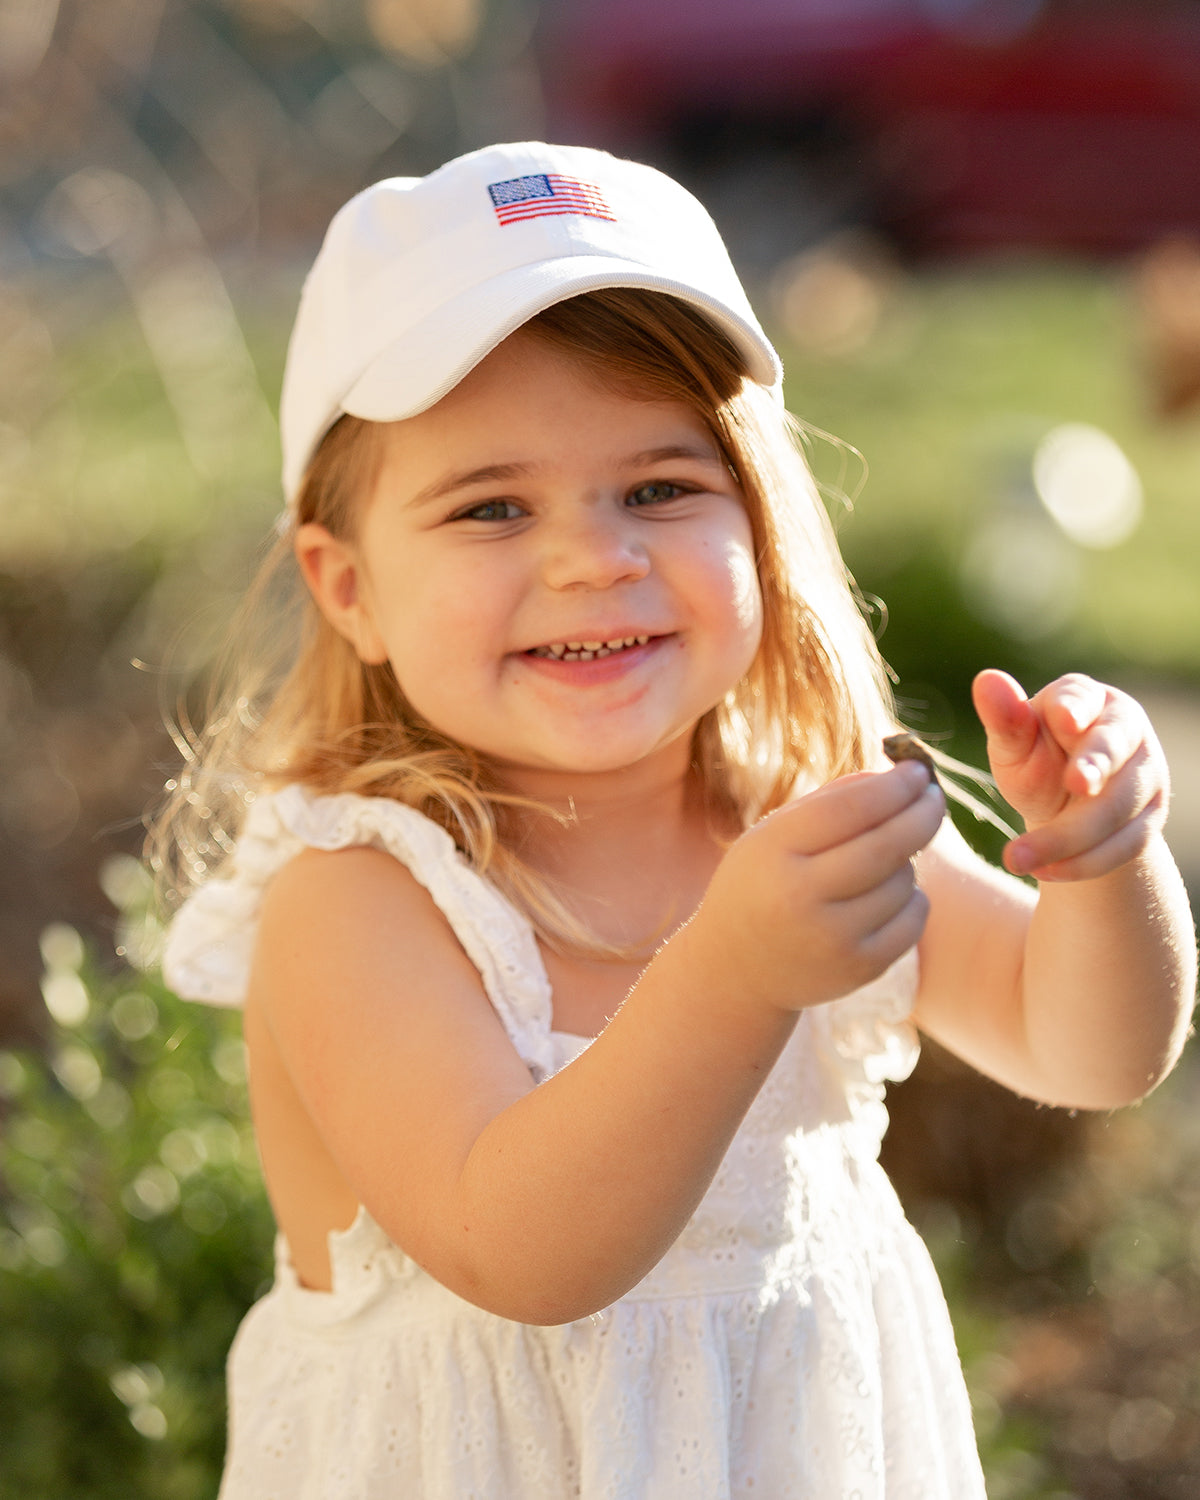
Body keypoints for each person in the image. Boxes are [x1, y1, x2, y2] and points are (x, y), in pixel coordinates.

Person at [155, 142, 1196, 1499]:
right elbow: (523, 1250)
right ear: (347, 586)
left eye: (660, 487)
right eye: (491, 507)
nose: (595, 555)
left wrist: (1105, 866)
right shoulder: (360, 899)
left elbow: (1090, 1046)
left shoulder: (807, 821)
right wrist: (736, 973)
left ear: (762, 524)